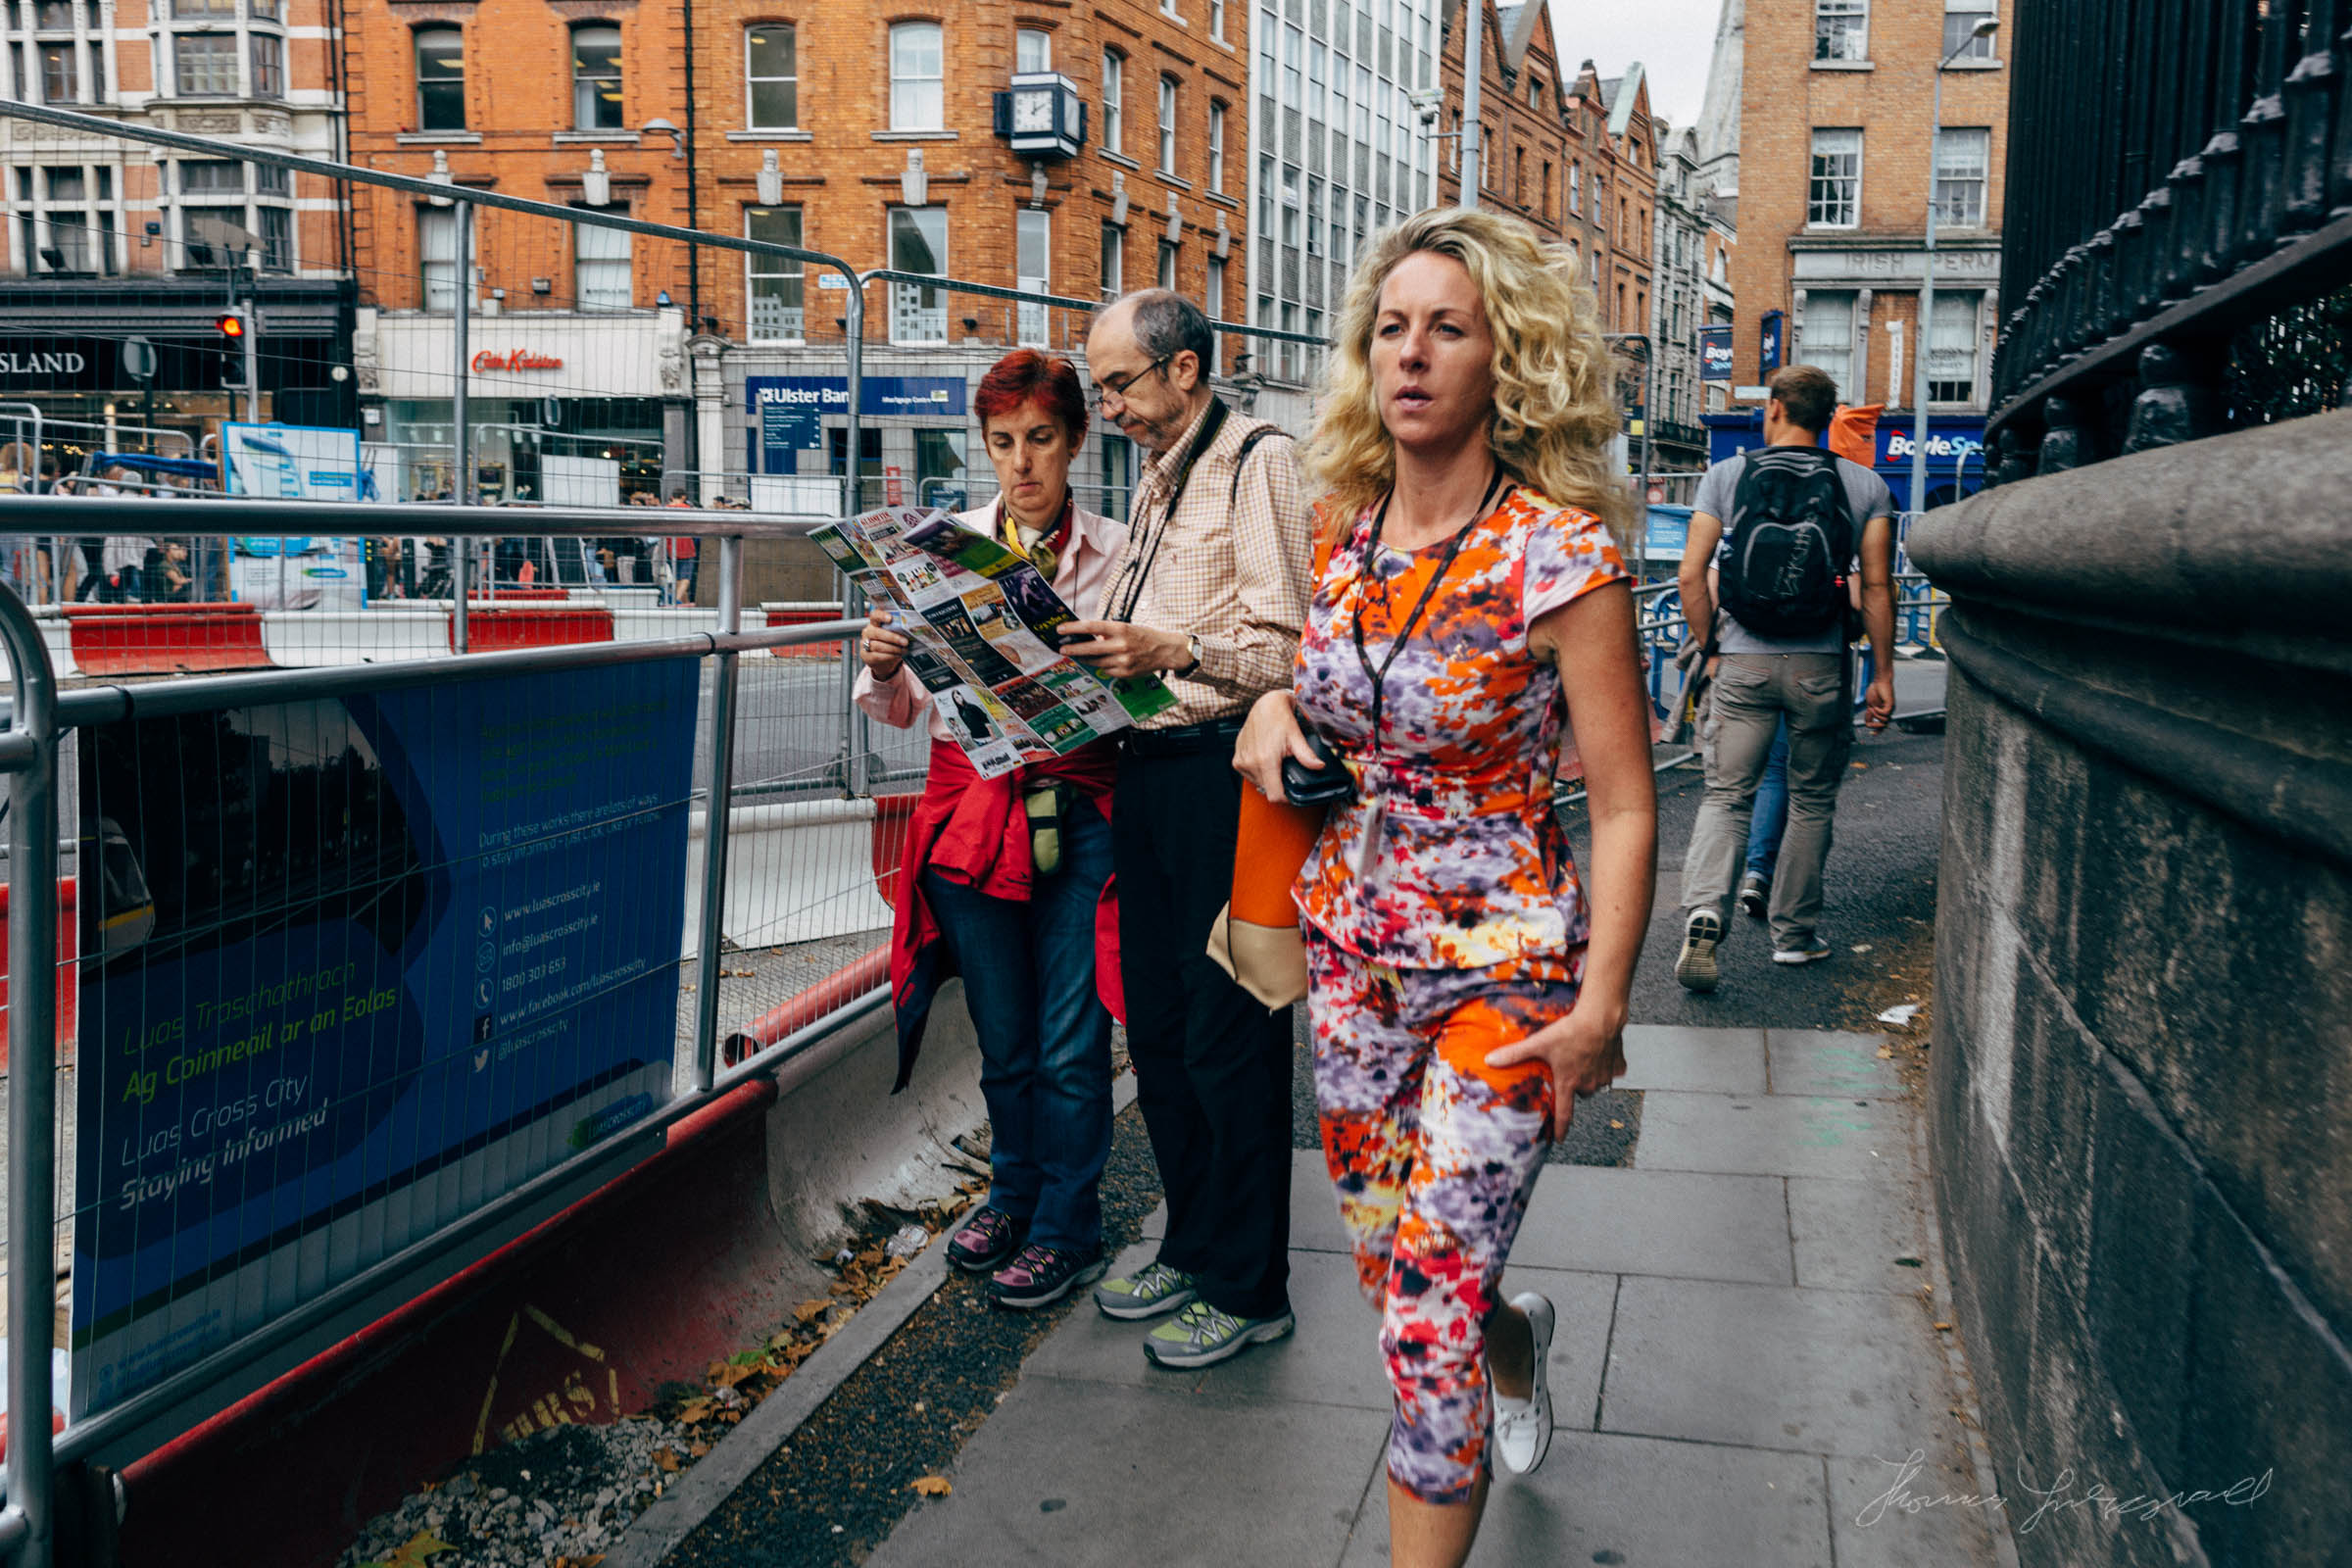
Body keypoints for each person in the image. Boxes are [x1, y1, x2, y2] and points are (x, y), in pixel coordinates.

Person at [1234, 208, 1656, 1567]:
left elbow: (1630, 801)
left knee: (1421, 1310)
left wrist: (1601, 1014)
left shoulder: (1559, 554)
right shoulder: (1348, 539)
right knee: (1395, 1275)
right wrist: (1265, 723)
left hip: (1505, 966)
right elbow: (1321, 714)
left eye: (1448, 329)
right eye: (1393, 328)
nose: (1411, 354)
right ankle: (1508, 1345)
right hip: (1354, 960)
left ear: (1504, 360)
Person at [1057, 288, 1314, 1369]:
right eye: (1100, 384)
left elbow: (1288, 648)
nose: (1105, 403)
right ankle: (1193, 1239)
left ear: (1188, 370)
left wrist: (1168, 650)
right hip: (1148, 771)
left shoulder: (1259, 459)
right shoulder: (1160, 475)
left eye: (1118, 382)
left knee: (1228, 1038)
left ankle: (1251, 1285)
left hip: (1224, 777)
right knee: (1156, 1030)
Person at [855, 349, 1130, 1309]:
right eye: (1004, 442)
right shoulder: (939, 546)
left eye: (1042, 440)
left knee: (1068, 1039)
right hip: (971, 813)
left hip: (1079, 812)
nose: (1022, 463)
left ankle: (1068, 1223)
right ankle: (1012, 1195)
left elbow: (1150, 698)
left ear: (1076, 442)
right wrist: (886, 659)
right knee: (1004, 1037)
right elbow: (885, 708)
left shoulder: (1120, 553)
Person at [1672, 363, 1894, 990]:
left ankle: (1706, 911)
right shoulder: (1865, 485)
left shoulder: (1726, 476)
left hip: (1742, 661)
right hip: (1821, 664)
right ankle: (1793, 937)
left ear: (1774, 409)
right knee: (1813, 798)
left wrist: (1710, 647)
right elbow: (1877, 586)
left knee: (1726, 795)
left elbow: (1692, 575)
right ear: (1829, 418)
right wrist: (1883, 673)